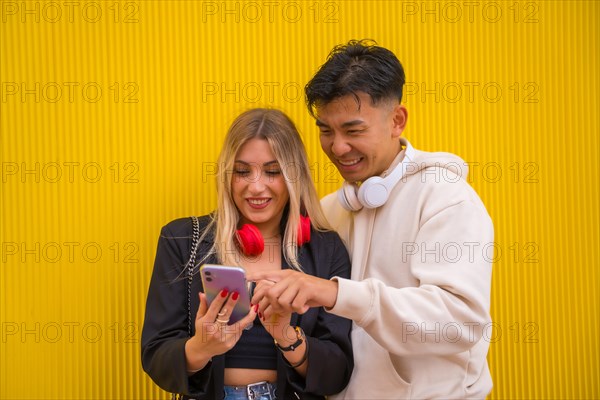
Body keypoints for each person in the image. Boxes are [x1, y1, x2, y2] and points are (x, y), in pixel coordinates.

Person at [249, 40, 494, 399]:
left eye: (353, 130)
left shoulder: (447, 198)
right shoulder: (333, 210)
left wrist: (335, 293)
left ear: (397, 120)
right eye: (326, 131)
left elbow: (460, 323)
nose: (337, 147)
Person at [141, 108, 354, 399]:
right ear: (228, 176)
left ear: (294, 176)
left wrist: (287, 337)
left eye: (272, 171)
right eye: (242, 172)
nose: (256, 186)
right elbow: (155, 357)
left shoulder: (326, 249)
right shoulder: (181, 239)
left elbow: (337, 374)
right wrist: (200, 347)